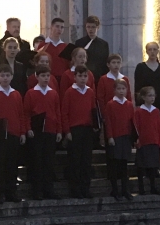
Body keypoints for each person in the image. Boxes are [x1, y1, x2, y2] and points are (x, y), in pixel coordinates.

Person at [0, 64, 25, 204]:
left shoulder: (16, 94)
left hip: (14, 134)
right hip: (0, 135)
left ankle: (11, 192)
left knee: (12, 166)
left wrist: (22, 132)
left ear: (12, 77)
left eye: (8, 75)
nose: (5, 78)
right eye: (2, 75)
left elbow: (21, 114)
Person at [24, 65, 62, 200]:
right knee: (37, 162)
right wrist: (28, 128)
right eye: (43, 76)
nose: (46, 78)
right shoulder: (31, 93)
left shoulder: (53, 93)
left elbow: (57, 112)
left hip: (51, 131)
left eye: (47, 76)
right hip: (37, 131)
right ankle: (37, 191)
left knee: (49, 162)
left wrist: (59, 130)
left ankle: (48, 190)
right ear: (37, 77)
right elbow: (27, 113)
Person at [61, 65, 99, 198]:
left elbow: (93, 110)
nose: (83, 79)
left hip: (87, 130)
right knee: (75, 161)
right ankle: (75, 189)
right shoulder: (69, 92)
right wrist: (67, 131)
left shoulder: (90, 92)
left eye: (85, 76)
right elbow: (64, 113)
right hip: (74, 130)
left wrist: (95, 125)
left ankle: (85, 188)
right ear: (74, 77)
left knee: (86, 161)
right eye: (80, 76)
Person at [134, 42, 160, 164]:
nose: (152, 52)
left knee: (157, 132)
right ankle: (145, 162)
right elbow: (137, 87)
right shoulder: (140, 67)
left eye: (155, 49)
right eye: (150, 49)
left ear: (158, 51)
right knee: (146, 132)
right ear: (146, 51)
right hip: (144, 105)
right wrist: (138, 103)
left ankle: (156, 162)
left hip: (159, 104)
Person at [104, 79, 134, 201]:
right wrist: (110, 136)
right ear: (114, 90)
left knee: (124, 165)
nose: (121, 91)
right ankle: (115, 190)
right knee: (115, 165)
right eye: (119, 89)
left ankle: (125, 190)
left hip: (126, 137)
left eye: (123, 89)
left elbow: (132, 122)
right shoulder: (110, 104)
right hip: (115, 138)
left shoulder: (129, 105)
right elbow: (109, 122)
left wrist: (133, 138)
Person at [134, 86, 160, 196]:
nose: (152, 98)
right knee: (141, 166)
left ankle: (153, 187)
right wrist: (137, 141)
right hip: (143, 142)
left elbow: (159, 127)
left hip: (154, 142)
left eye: (153, 95)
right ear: (143, 97)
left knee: (153, 167)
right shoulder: (139, 112)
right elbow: (137, 127)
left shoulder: (156, 111)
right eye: (149, 95)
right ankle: (141, 188)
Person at [75, 15, 109, 85]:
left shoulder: (104, 44)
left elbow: (105, 63)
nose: (90, 30)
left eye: (93, 27)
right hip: (83, 77)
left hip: (99, 78)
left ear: (98, 27)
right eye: (88, 27)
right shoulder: (79, 42)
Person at [97, 54, 132, 119]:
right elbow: (100, 98)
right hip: (110, 112)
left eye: (118, 62)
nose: (116, 65)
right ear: (108, 65)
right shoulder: (103, 79)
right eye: (113, 62)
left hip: (123, 111)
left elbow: (128, 96)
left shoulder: (125, 79)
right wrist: (104, 113)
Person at [37, 18, 69, 83]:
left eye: (62, 27)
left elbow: (67, 64)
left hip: (62, 78)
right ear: (51, 27)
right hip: (47, 77)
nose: (59, 29)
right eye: (57, 26)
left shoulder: (65, 46)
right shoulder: (43, 45)